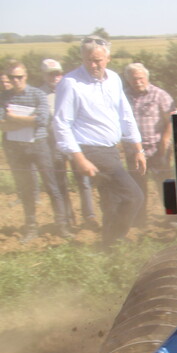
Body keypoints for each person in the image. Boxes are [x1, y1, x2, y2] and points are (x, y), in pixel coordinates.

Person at [53, 36, 145, 246]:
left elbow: (125, 114)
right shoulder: (71, 83)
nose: (93, 65)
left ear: (108, 58)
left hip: (111, 149)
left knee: (112, 201)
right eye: (88, 60)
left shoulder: (114, 79)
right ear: (82, 59)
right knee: (134, 196)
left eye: (97, 60)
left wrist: (138, 148)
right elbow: (61, 124)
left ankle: (108, 247)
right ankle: (116, 240)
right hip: (90, 150)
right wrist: (79, 159)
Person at [0, 61, 70, 240]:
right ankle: (31, 228)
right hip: (16, 148)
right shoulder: (3, 96)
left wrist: (13, 118)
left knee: (51, 186)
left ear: (26, 76)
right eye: (11, 77)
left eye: (19, 77)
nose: (15, 80)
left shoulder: (37, 94)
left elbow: (42, 120)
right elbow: (2, 124)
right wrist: (27, 120)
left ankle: (62, 226)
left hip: (39, 145)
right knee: (26, 189)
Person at [40, 58, 98, 231]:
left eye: (57, 73)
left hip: (76, 142)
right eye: (50, 74)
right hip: (54, 144)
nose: (55, 77)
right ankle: (68, 218)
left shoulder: (71, 88)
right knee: (61, 182)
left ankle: (89, 216)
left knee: (84, 180)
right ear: (43, 75)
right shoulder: (40, 95)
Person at [124, 62, 174, 228]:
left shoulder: (159, 95)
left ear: (146, 77)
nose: (138, 82)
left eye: (140, 78)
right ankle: (140, 221)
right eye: (134, 79)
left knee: (165, 186)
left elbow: (171, 120)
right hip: (134, 152)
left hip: (157, 149)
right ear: (128, 80)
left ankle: (172, 219)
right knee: (138, 187)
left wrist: (165, 142)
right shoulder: (123, 96)